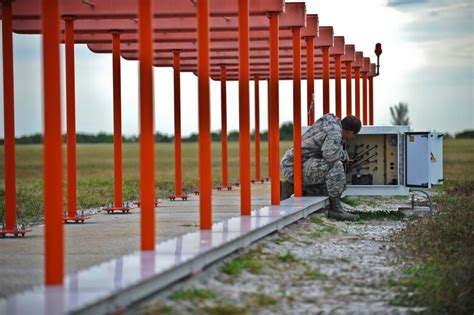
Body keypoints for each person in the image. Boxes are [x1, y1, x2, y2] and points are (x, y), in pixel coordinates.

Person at [280, 114, 361, 221]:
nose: (353, 137)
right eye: (354, 135)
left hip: (296, 163)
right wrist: (344, 156)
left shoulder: (331, 121)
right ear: (350, 132)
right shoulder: (335, 133)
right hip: (295, 167)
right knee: (336, 166)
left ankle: (290, 186)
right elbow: (330, 155)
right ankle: (336, 209)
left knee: (325, 189)